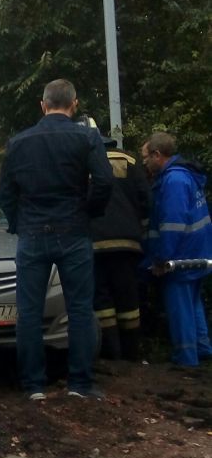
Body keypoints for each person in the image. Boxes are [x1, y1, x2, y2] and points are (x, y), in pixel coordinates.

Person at [0, 79, 113, 401]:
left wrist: (20, 223)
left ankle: (34, 387)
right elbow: (104, 182)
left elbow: (5, 194)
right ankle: (80, 385)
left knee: (29, 313)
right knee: (79, 310)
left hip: (33, 235)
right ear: (74, 104)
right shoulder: (86, 137)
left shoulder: (18, 143)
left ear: (43, 105)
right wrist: (88, 213)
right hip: (74, 232)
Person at [140, 131, 212, 368]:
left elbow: (172, 224)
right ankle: (202, 350)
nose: (144, 163)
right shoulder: (186, 176)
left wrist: (162, 258)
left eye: (145, 157)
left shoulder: (173, 181)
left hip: (180, 256)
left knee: (179, 306)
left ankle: (186, 358)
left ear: (157, 155)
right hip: (197, 252)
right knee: (192, 302)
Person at [90, 140, 151, 360]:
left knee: (102, 299)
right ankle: (133, 353)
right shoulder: (129, 160)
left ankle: (111, 354)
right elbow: (145, 198)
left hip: (95, 243)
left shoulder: (83, 160)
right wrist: (140, 227)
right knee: (128, 298)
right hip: (128, 242)